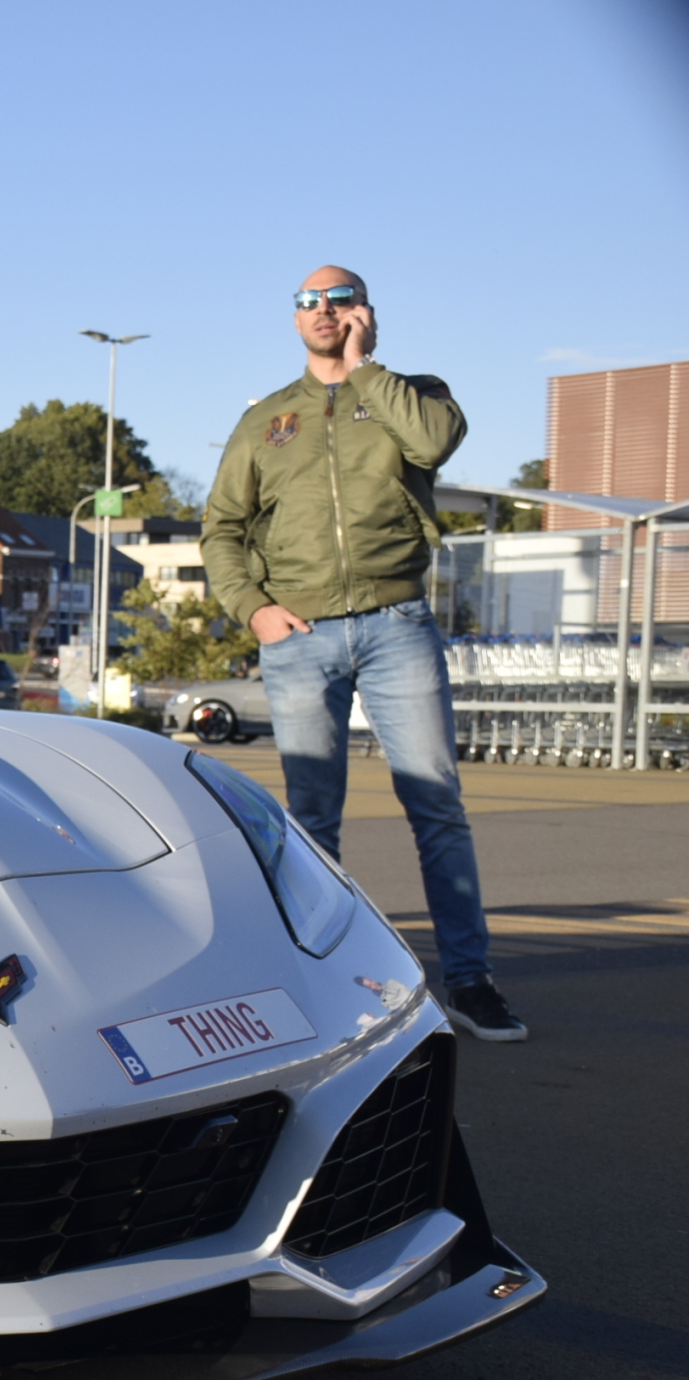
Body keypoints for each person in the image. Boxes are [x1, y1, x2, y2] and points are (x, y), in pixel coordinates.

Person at [202, 265, 525, 1042]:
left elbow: (436, 442)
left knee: (436, 805)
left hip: (397, 625)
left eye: (338, 298)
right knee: (311, 820)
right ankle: (319, 984)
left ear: (363, 311)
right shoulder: (267, 421)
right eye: (308, 301)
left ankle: (471, 980)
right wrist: (255, 610)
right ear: (293, 318)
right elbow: (221, 528)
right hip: (300, 637)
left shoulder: (413, 393)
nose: (323, 310)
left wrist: (366, 367)